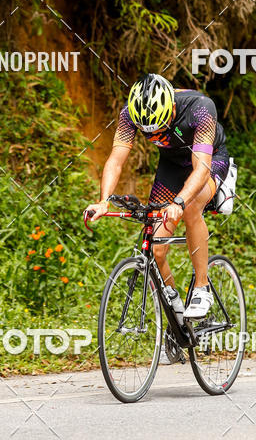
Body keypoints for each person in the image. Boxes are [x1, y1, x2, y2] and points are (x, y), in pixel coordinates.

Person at [86, 73, 229, 318]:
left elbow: (201, 167)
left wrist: (179, 202)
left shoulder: (201, 109)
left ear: (172, 107)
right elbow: (116, 160)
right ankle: (175, 313)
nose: (156, 133)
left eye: (161, 127)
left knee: (192, 206)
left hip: (209, 161)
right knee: (156, 246)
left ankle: (202, 288)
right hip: (172, 166)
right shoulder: (130, 113)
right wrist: (103, 200)